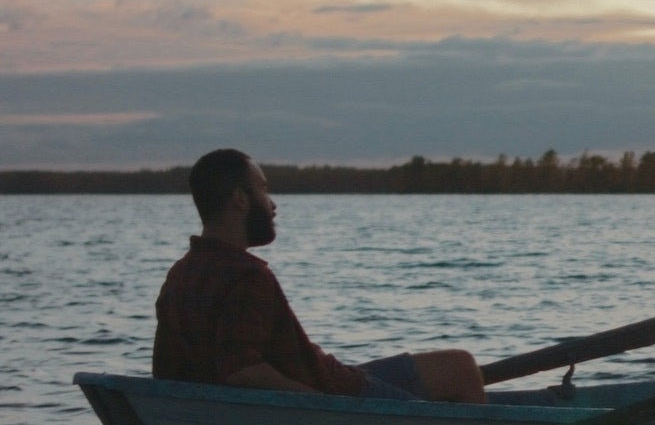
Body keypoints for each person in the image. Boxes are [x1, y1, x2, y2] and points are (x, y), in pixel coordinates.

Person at [152, 148, 486, 403]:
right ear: (240, 199)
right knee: (462, 369)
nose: (272, 205)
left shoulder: (181, 274)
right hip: (337, 393)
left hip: (329, 377)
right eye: (263, 191)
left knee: (456, 365)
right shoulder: (246, 275)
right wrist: (321, 404)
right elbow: (243, 371)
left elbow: (165, 372)